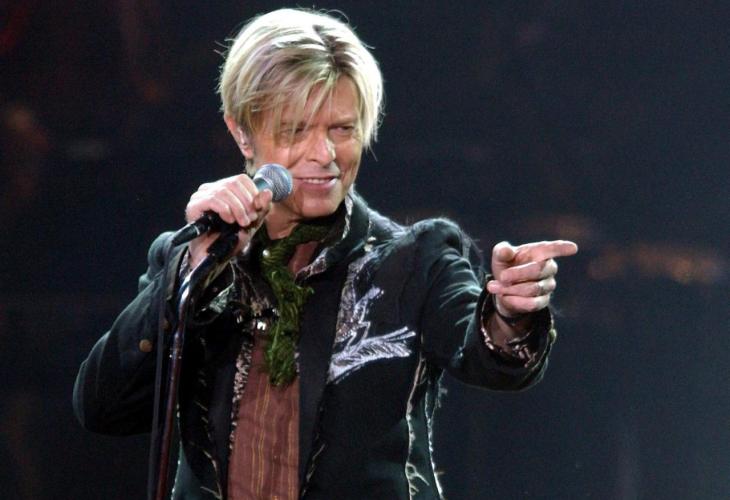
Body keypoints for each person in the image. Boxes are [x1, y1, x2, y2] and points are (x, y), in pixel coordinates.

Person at [73, 8, 578, 500]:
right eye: (296, 130)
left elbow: (487, 357)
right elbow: (103, 408)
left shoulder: (412, 261)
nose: (324, 154)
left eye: (342, 129)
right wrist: (194, 269)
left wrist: (509, 314)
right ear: (241, 133)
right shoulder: (192, 260)